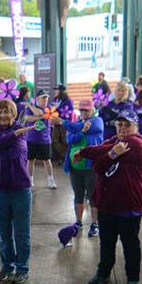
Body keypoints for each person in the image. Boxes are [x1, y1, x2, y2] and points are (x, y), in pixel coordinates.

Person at [79, 110, 142, 284]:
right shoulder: (113, 143)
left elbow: (97, 152)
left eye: (127, 125)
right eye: (120, 125)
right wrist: (111, 154)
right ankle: (103, 274)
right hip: (107, 205)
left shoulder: (136, 144)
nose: (123, 128)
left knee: (130, 245)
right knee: (106, 243)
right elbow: (97, 166)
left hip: (129, 206)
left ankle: (133, 278)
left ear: (136, 126)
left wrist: (85, 152)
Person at [0, 98, 34, 284]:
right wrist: (13, 136)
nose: (2, 115)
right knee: (4, 233)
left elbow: (11, 153)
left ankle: (22, 268)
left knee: (21, 234)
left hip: (20, 191)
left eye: (6, 112)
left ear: (14, 114)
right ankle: (7, 266)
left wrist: (10, 139)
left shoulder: (22, 134)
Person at [59, 99, 105, 238]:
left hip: (91, 168)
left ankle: (94, 224)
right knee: (78, 196)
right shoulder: (76, 123)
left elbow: (85, 128)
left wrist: (65, 123)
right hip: (75, 168)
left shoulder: (97, 121)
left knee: (93, 197)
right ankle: (78, 222)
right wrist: (82, 132)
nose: (84, 112)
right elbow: (70, 140)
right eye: (82, 110)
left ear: (92, 110)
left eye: (86, 110)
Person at [22, 90, 57, 189]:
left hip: (45, 140)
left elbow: (38, 112)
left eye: (46, 98)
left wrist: (32, 108)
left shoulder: (48, 108)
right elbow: (27, 118)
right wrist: (41, 117)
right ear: (37, 99)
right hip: (31, 139)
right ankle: (30, 180)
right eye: (43, 98)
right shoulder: (31, 108)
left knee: (47, 160)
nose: (45, 100)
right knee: (30, 160)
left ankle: (51, 180)